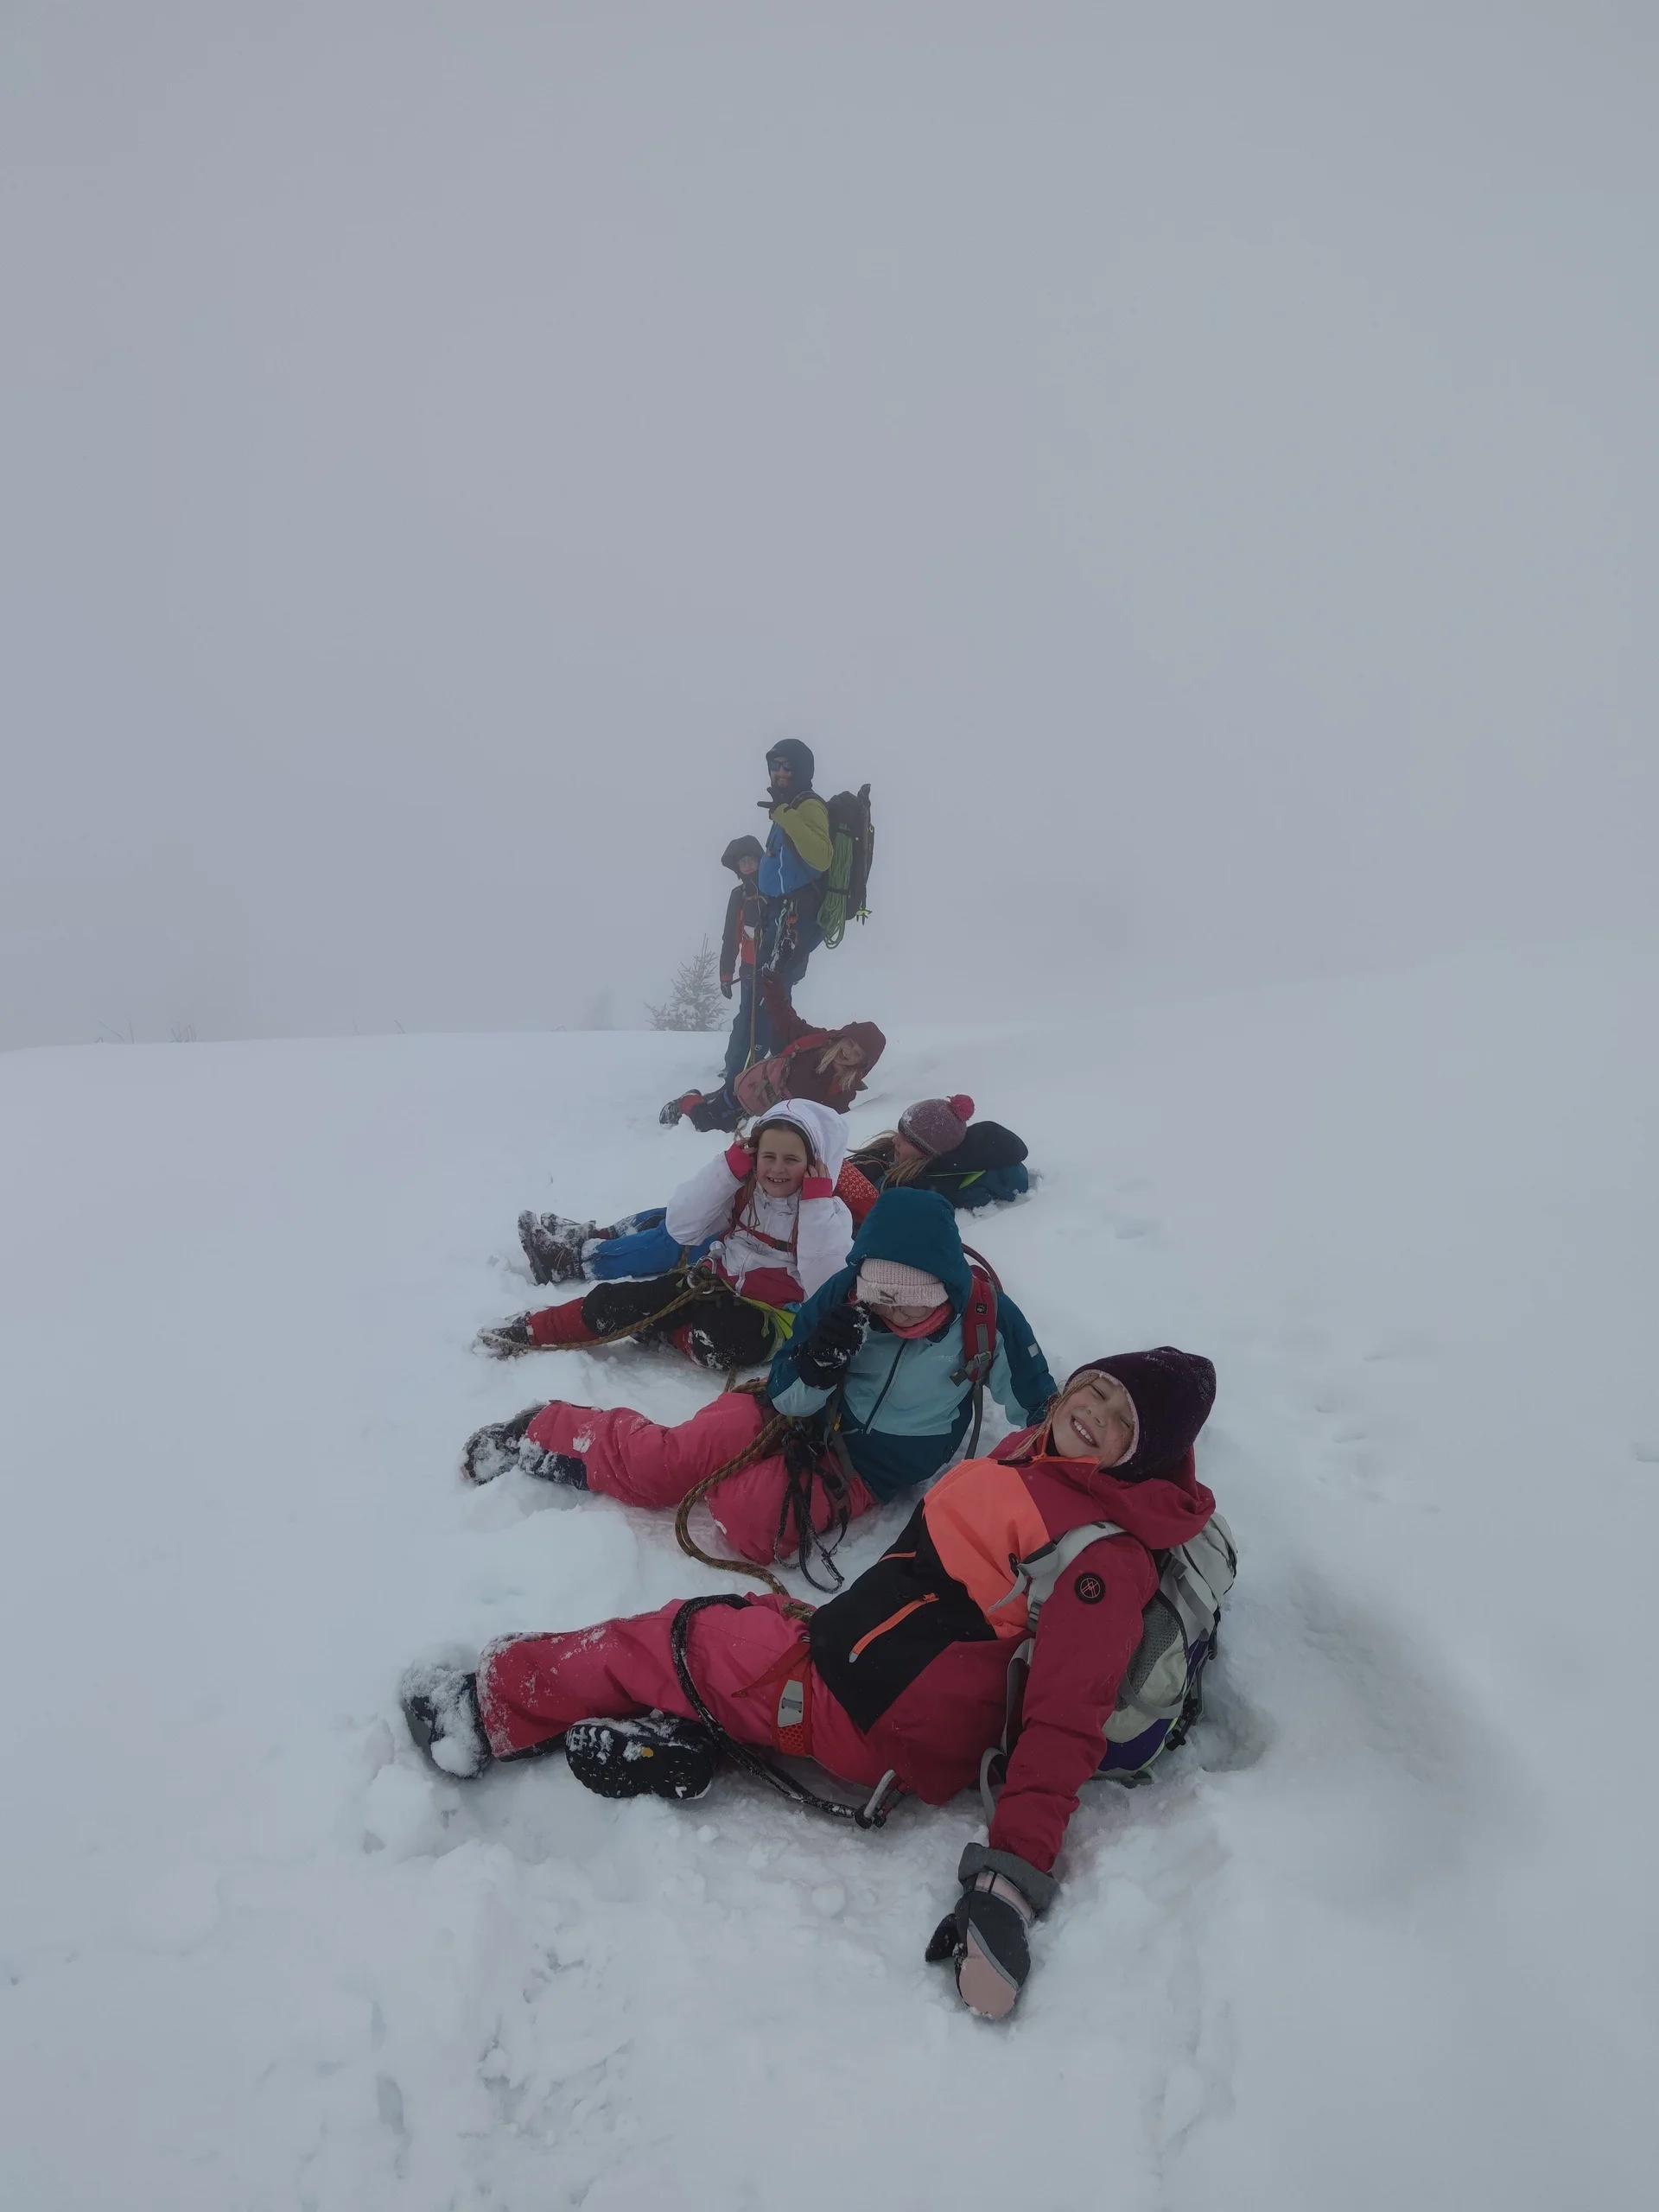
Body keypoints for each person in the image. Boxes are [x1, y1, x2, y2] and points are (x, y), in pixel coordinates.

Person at [402, 1344, 1221, 2023]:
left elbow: (1064, 1723)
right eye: (1101, 1389)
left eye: (1123, 1423)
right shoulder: (1045, 1456)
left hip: (865, 1710)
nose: (1097, 1414)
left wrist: (1007, 1888)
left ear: (1142, 1455)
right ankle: (690, 1736)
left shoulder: (1100, 1563)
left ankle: (490, 1707)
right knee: (739, 1633)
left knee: (667, 1639)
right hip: (863, 1664)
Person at [461, 1187, 1056, 1571]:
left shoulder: (987, 1321)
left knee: (749, 1523)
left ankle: (747, 1476)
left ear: (946, 1283)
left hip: (871, 1469)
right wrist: (819, 1368)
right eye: (883, 1294)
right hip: (793, 1415)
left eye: (915, 1298)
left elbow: (1041, 1410)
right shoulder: (843, 1299)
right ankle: (545, 1430)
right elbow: (786, 1391)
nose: (896, 1312)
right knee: (667, 1464)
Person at [479, 1100, 851, 1389]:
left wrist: (816, 1204)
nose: (777, 1168)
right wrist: (727, 1169)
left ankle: (660, 1328)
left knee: (724, 1337)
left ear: (814, 1163)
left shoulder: (828, 1214)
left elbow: (825, 1285)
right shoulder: (746, 1192)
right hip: (713, 1283)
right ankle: (537, 1329)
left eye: (792, 1159)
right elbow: (682, 1226)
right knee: (622, 1300)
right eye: (768, 1156)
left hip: (770, 1318)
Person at [660, 972, 885, 1133]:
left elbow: (833, 1118)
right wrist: (776, 993)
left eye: (857, 1055)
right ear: (844, 1037)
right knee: (707, 1124)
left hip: (766, 1113)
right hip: (748, 1091)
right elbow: (788, 1021)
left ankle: (709, 1100)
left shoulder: (845, 1087)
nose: (849, 1053)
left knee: (725, 1120)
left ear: (861, 1065)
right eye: (851, 1045)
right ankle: (687, 1102)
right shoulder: (818, 1042)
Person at [849, 1094, 1031, 1211]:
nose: (896, 1140)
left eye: (906, 1140)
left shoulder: (928, 1185)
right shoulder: (905, 1156)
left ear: (927, 1153)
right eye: (900, 1133)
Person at [755, 739, 832, 1005]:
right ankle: (765, 1047)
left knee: (770, 998)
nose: (780, 771)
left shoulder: (807, 806)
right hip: (779, 913)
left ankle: (777, 1047)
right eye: (774, 765)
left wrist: (785, 815)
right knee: (765, 997)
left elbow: (822, 858)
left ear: (802, 770)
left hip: (795, 915)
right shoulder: (785, 807)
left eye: (788, 765)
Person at [717, 834, 767, 1084]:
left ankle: (767, 1064)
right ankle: (734, 1066)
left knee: (773, 1014)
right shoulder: (739, 895)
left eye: (751, 860)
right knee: (746, 1014)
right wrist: (726, 975)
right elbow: (731, 936)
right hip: (749, 967)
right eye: (742, 862)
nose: (747, 865)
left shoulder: (774, 886)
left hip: (775, 965)